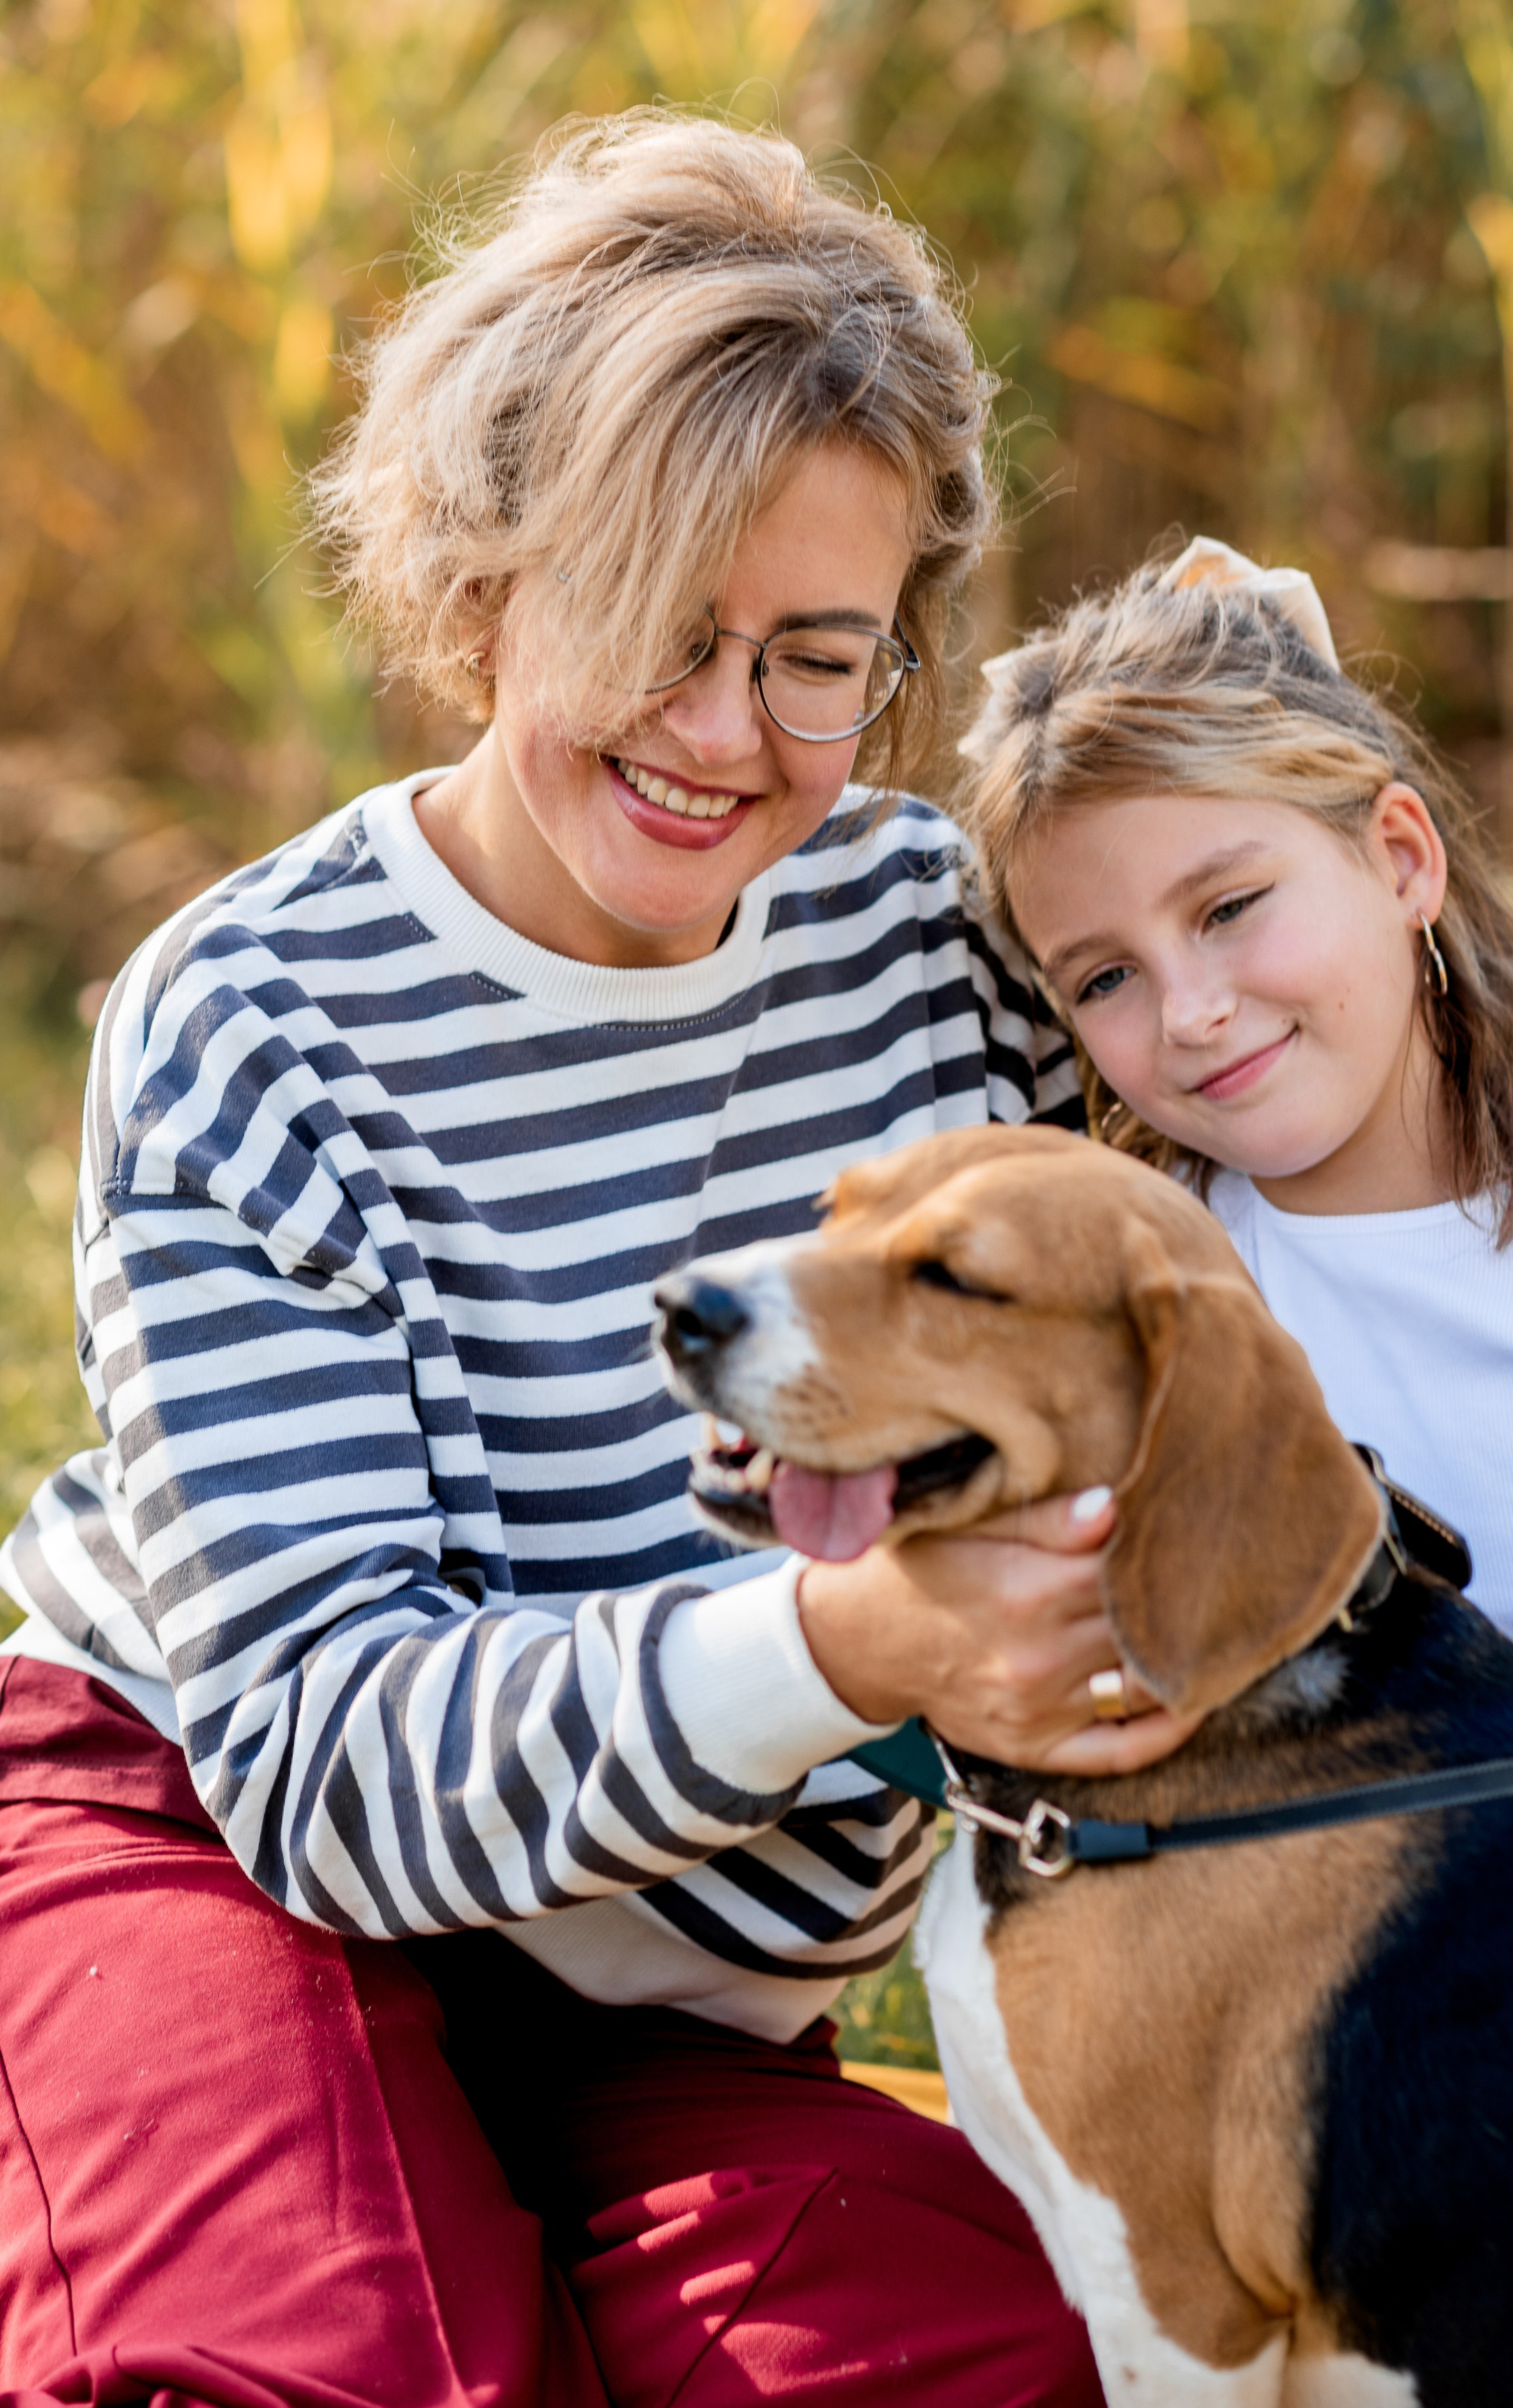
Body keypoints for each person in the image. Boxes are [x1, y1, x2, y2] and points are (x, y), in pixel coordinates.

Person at [0, 117, 1193, 2407]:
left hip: (683, 1994)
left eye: (818, 661)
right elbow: (326, 1769)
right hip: (215, 1847)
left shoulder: (953, 948)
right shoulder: (259, 1020)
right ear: (481, 587)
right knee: (302, 2365)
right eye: (662, 630)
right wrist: (858, 1643)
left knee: (975, 2366)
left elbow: (1308, 1173)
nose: (725, 735)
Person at [957, 539, 1513, 1855]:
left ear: (1402, 860)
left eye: (1230, 904)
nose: (1192, 1009)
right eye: (1102, 979)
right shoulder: (1171, 1309)